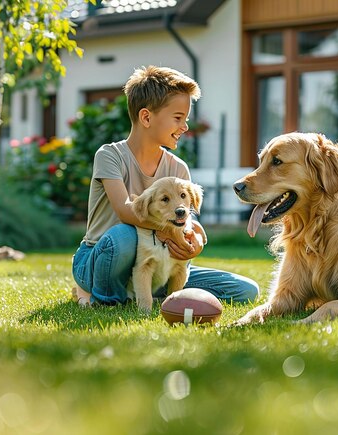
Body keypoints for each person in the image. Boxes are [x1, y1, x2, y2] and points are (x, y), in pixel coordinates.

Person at [72, 65, 259, 306]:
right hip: (102, 258)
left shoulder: (178, 168)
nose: (185, 127)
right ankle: (104, 296)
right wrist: (172, 231)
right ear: (146, 117)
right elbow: (125, 211)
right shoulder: (110, 155)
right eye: (178, 118)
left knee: (245, 290)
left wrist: (198, 239)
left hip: (158, 261)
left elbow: (186, 217)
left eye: (186, 119)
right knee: (124, 235)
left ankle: (153, 292)